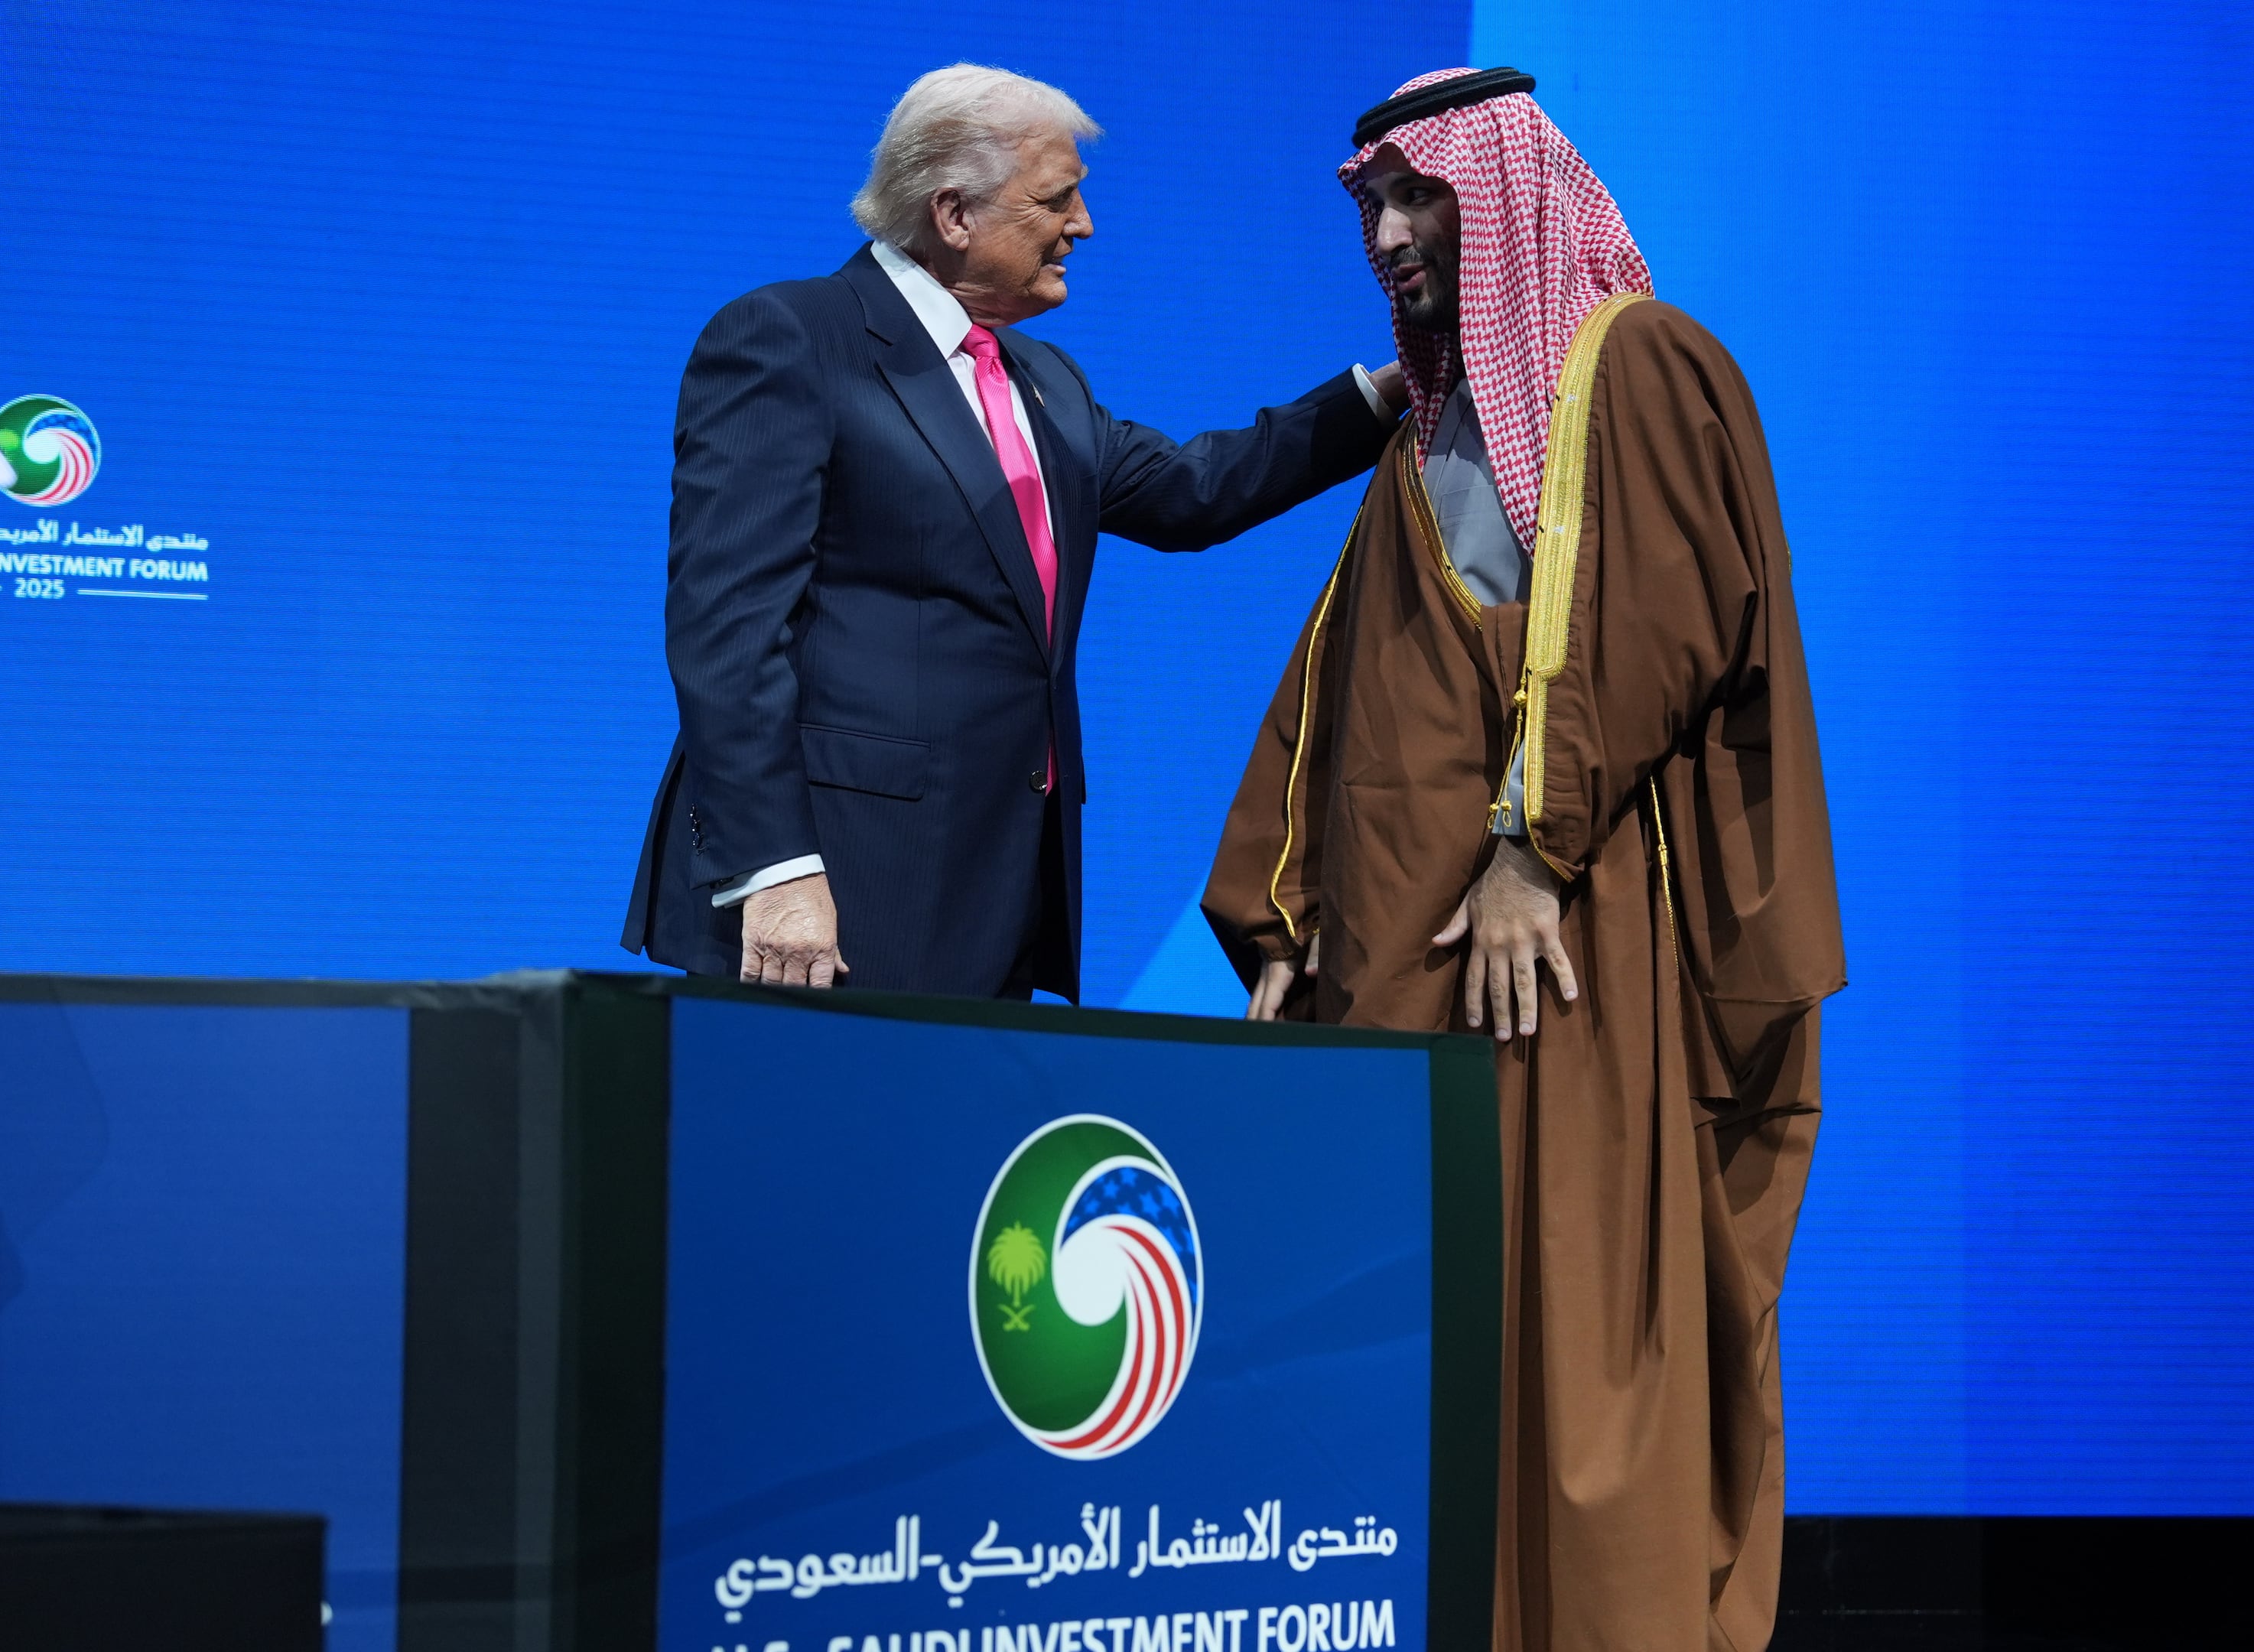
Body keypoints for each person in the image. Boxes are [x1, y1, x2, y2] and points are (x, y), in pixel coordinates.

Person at [1202, 68, 1845, 1649]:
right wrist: (1279, 910)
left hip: (1569, 965)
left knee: (1578, 1323)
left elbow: (1657, 632)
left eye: (1418, 196)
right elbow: (1338, 682)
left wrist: (1535, 853)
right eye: (1371, 205)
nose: (1388, 236)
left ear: (1504, 194)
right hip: (1410, 980)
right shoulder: (1425, 443)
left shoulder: (1642, 368)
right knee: (1424, 1350)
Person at [626, 63, 1405, 997]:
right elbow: (728, 628)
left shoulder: (1045, 382)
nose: (1084, 226)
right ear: (954, 214)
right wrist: (775, 870)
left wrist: (1391, 392)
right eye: (1056, 199)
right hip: (833, 888)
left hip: (993, 890)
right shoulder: (794, 337)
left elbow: (1195, 491)